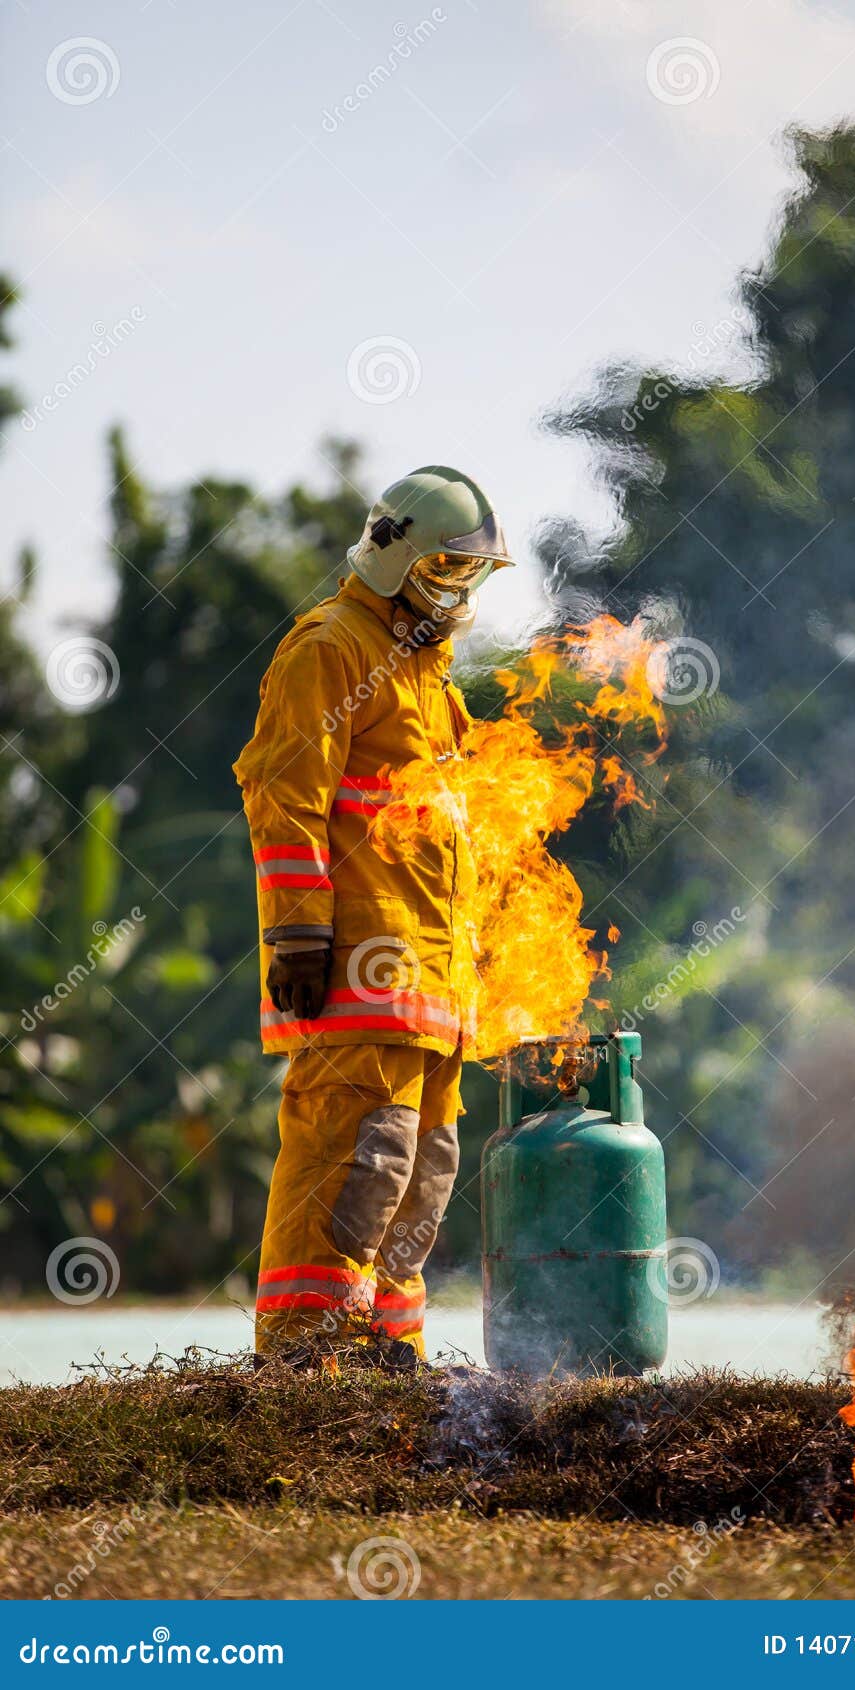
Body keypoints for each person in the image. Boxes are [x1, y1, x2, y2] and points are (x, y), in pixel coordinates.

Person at [234, 466, 512, 1362]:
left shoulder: (431, 678)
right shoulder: (331, 645)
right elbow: (285, 796)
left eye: (470, 577)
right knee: (351, 1161)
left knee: (416, 1177)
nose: (456, 595)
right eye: (444, 572)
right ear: (396, 557)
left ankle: (388, 1370)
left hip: (432, 991)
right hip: (357, 967)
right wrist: (299, 930)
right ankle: (303, 1363)